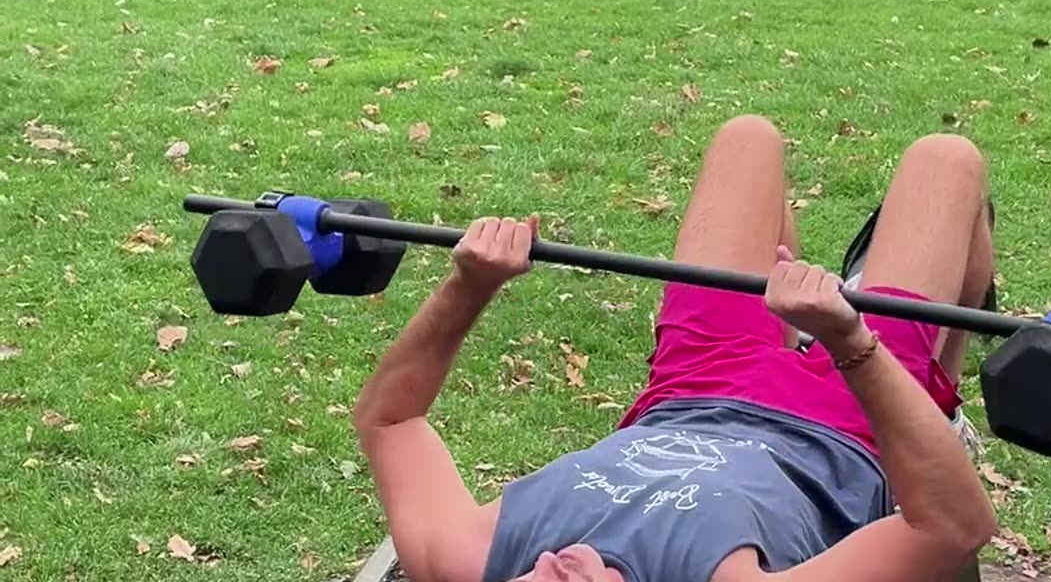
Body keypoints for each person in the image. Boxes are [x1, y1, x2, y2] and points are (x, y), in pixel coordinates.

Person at [352, 116, 999, 582]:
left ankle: (809, 332)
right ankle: (937, 406)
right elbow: (950, 527)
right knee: (947, 161)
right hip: (846, 423)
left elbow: (390, 419)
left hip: (691, 389)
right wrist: (852, 341)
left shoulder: (468, 557)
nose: (548, 569)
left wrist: (470, 286)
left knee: (747, 140)